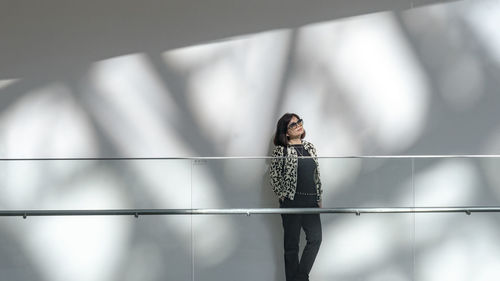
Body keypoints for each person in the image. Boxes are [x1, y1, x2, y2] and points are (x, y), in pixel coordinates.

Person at [269, 113, 323, 281]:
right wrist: (283, 196)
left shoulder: (310, 147)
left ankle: (300, 278)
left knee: (315, 239)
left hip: (311, 201)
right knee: (291, 246)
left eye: (299, 122)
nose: (298, 125)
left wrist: (319, 196)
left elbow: (316, 175)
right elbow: (274, 177)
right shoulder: (281, 151)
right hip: (292, 201)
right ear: (285, 132)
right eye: (293, 125)